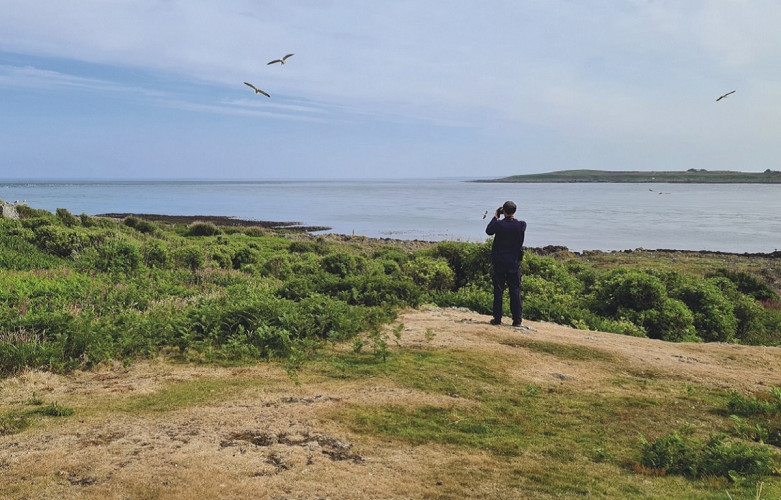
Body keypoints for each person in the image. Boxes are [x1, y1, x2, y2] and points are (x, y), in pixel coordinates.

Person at [485, 200, 526, 327]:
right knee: (515, 290)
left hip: (499, 262)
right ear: (515, 211)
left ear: (503, 211)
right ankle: (517, 320)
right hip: (514, 262)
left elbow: (489, 231)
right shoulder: (521, 225)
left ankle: (497, 318)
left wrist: (496, 216)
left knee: (498, 290)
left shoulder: (499, 225)